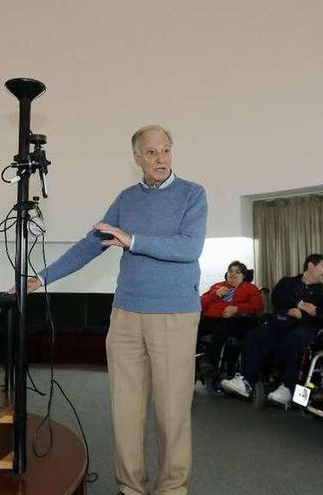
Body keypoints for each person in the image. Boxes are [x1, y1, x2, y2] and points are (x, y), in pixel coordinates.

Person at [23, 125, 207, 495]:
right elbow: (91, 244)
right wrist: (42, 277)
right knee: (126, 411)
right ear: (137, 157)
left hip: (173, 314)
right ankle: (130, 487)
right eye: (151, 152)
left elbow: (189, 248)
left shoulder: (192, 194)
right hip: (125, 315)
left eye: (166, 150)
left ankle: (172, 489)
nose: (161, 158)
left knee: (172, 413)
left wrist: (133, 239)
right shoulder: (126, 199)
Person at [220, 254, 323, 405]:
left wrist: (311, 312)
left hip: (308, 326)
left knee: (294, 339)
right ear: (311, 266)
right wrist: (297, 306)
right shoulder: (288, 282)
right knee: (256, 334)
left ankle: (288, 387)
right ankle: (245, 380)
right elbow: (277, 299)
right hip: (282, 321)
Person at [197, 260, 263, 380]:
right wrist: (215, 294)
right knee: (191, 327)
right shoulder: (217, 286)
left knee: (221, 328)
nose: (233, 274)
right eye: (230, 271)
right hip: (208, 318)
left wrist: (237, 309)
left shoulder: (250, 288)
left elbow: (257, 306)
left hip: (232, 320)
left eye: (238, 272)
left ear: (244, 276)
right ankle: (192, 364)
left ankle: (209, 363)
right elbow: (200, 304)